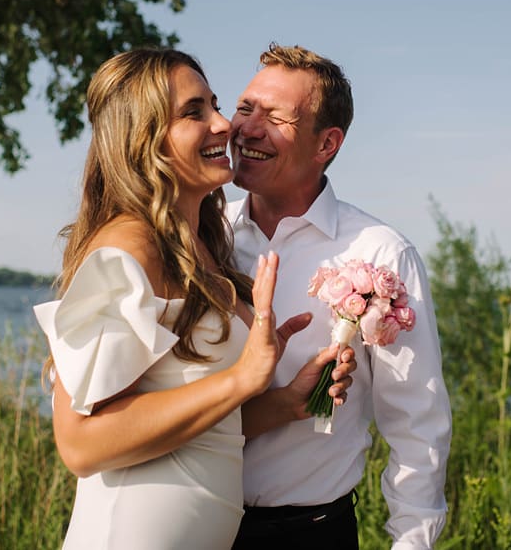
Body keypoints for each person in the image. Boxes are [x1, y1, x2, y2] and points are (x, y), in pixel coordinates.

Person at [33, 47, 356, 549]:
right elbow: (80, 443)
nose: (225, 124)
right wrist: (240, 378)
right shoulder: (128, 248)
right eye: (193, 112)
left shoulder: (199, 245)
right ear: (143, 139)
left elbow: (202, 431)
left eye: (215, 105)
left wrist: (286, 403)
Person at [227, 44, 453, 550]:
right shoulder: (200, 232)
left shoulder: (381, 254)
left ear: (326, 143)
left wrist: (410, 543)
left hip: (310, 534)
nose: (248, 129)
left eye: (276, 117)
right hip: (192, 527)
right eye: (245, 108)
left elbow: (417, 425)